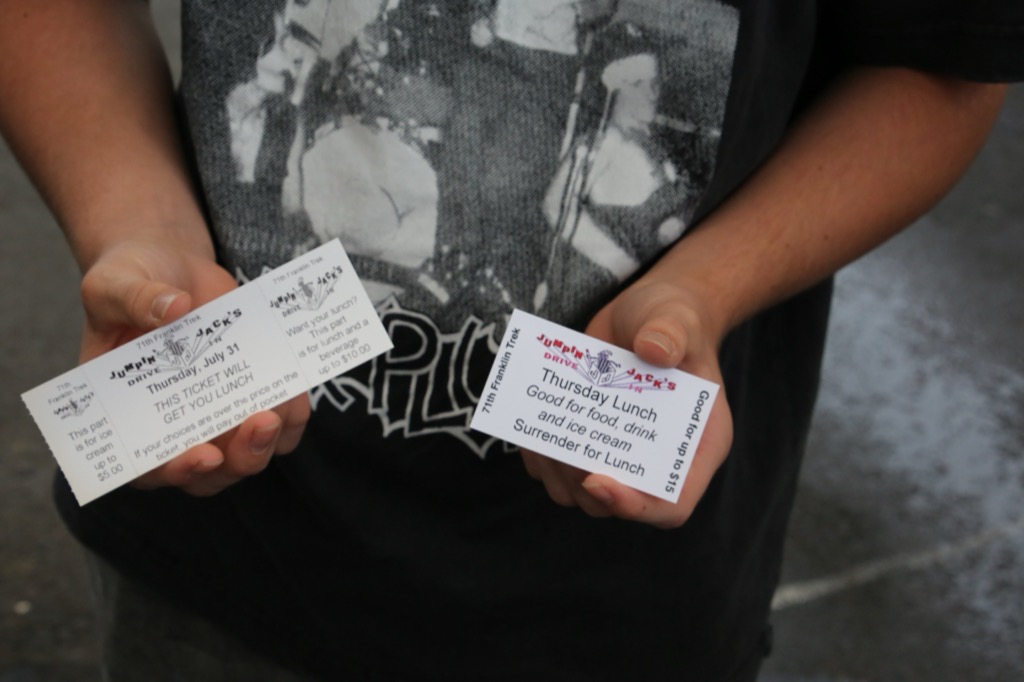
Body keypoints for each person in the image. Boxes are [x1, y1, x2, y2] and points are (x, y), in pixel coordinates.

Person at [1, 1, 1020, 680]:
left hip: (615, 594)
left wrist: (703, 292)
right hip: (213, 539)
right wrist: (135, 224)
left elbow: (939, 64)